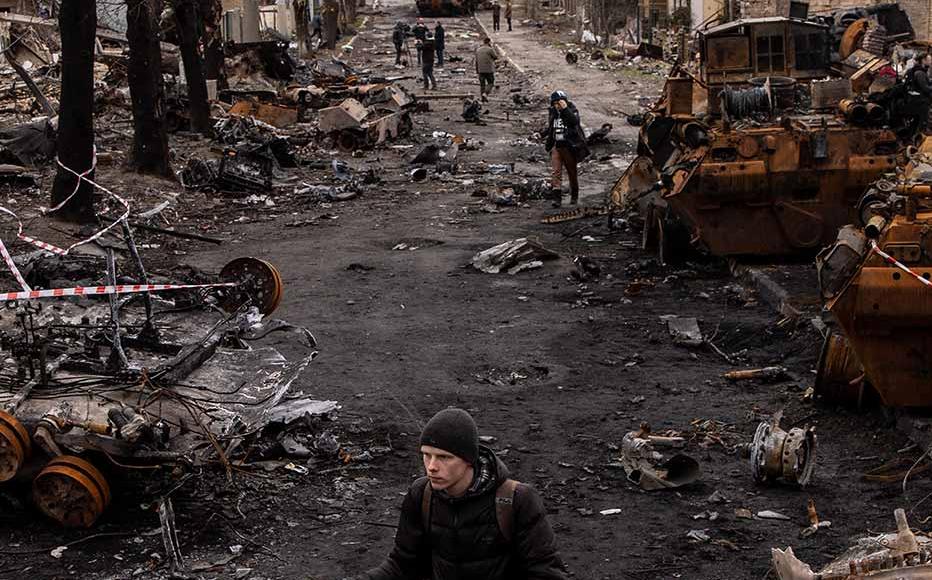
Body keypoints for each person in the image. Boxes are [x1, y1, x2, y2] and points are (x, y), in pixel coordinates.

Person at [343, 408, 567, 580]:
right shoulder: (422, 495)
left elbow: (547, 574)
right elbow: (403, 564)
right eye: (426, 455)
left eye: (443, 457)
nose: (431, 467)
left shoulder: (517, 500)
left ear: (468, 459)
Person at [545, 90, 589, 208]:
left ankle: (574, 195)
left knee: (571, 172)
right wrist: (548, 142)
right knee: (556, 172)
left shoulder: (572, 110)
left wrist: (565, 110)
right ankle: (557, 198)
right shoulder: (553, 113)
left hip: (569, 145)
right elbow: (551, 128)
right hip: (556, 145)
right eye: (555, 103)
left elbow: (574, 122)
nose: (557, 106)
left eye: (560, 103)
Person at [906, 53, 932, 135]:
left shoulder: (920, 71)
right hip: (921, 101)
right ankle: (920, 139)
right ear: (923, 61)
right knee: (922, 122)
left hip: (919, 100)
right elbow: (925, 88)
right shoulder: (920, 73)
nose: (931, 62)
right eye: (929, 60)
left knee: (919, 121)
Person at [475, 37, 498, 102]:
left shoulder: (478, 50)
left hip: (480, 70)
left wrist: (477, 70)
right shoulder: (490, 49)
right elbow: (495, 57)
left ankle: (483, 99)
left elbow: (476, 61)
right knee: (491, 83)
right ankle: (485, 93)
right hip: (489, 70)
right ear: (489, 42)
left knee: (482, 84)